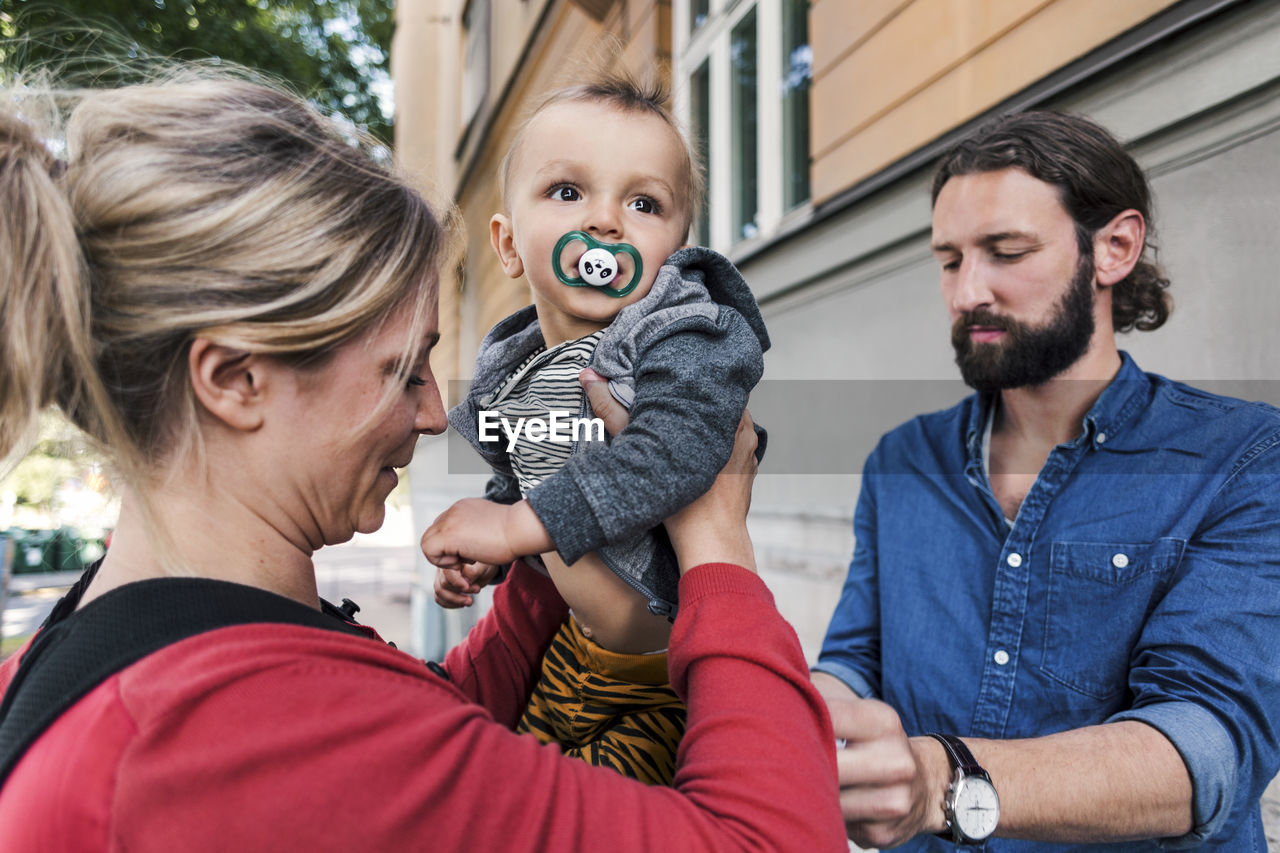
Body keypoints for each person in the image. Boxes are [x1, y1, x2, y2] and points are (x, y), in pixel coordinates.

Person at [0, 70, 846, 850]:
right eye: (403, 370)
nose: (439, 415)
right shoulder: (239, 732)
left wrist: (540, 551)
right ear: (236, 378)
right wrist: (714, 538)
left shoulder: (96, 659)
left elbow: (438, 727)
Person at [812, 110, 1280, 850]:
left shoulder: (1243, 456)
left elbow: (1205, 745)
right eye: (949, 259)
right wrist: (797, 720)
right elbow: (855, 660)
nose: (968, 293)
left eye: (1005, 251)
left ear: (1114, 248)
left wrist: (942, 780)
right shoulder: (902, 460)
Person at [421, 74, 768, 784]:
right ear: (509, 244)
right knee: (501, 804)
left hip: (660, 681)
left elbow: (674, 453)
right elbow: (525, 470)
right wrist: (495, 550)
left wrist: (517, 526)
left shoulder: (689, 336)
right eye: (569, 191)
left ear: (672, 250)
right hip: (567, 656)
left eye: (643, 202)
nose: (607, 221)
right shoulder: (514, 359)